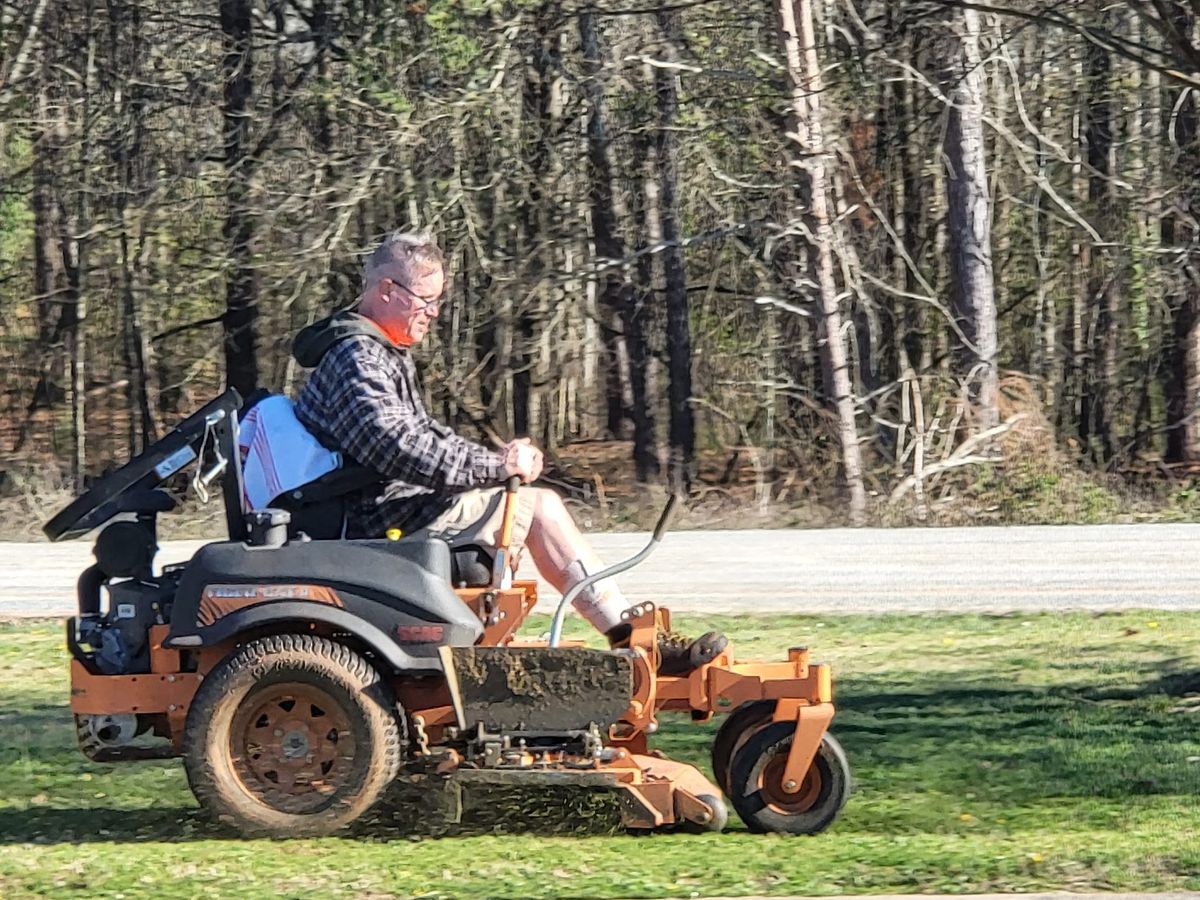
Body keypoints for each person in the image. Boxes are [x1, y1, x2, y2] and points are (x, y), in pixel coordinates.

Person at [293, 230, 726, 674]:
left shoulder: (374, 352)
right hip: (377, 520)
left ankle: (613, 641)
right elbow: (399, 447)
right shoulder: (357, 358)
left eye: (438, 300)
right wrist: (496, 466)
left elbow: (423, 435)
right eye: (426, 299)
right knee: (541, 509)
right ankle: (635, 645)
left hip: (390, 509)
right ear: (387, 290)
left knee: (525, 506)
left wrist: (494, 463)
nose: (434, 312)